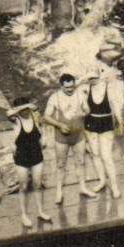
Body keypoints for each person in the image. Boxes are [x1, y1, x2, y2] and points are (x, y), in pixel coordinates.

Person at [42, 73, 93, 204]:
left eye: (72, 87)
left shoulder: (81, 95)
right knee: (60, 164)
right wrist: (59, 125)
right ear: (61, 86)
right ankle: (59, 192)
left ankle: (83, 187)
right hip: (62, 136)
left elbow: (87, 110)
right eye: (67, 88)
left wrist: (81, 113)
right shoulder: (55, 98)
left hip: (78, 134)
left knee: (81, 162)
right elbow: (46, 116)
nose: (70, 90)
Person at [5, 97, 55, 228]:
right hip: (22, 158)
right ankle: (24, 215)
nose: (25, 112)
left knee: (37, 185)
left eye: (27, 109)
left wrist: (44, 138)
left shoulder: (35, 118)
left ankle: (40, 211)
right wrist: (22, 107)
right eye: (22, 110)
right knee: (24, 186)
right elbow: (8, 113)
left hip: (36, 155)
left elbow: (40, 121)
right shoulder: (16, 121)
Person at [82, 57, 124, 198]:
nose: (92, 79)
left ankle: (115, 186)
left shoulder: (108, 86)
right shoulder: (85, 89)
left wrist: (120, 120)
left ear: (99, 75)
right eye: (90, 77)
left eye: (94, 76)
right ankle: (102, 181)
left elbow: (114, 105)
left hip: (106, 123)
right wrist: (84, 79)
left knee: (106, 157)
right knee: (95, 154)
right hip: (90, 124)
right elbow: (72, 89)